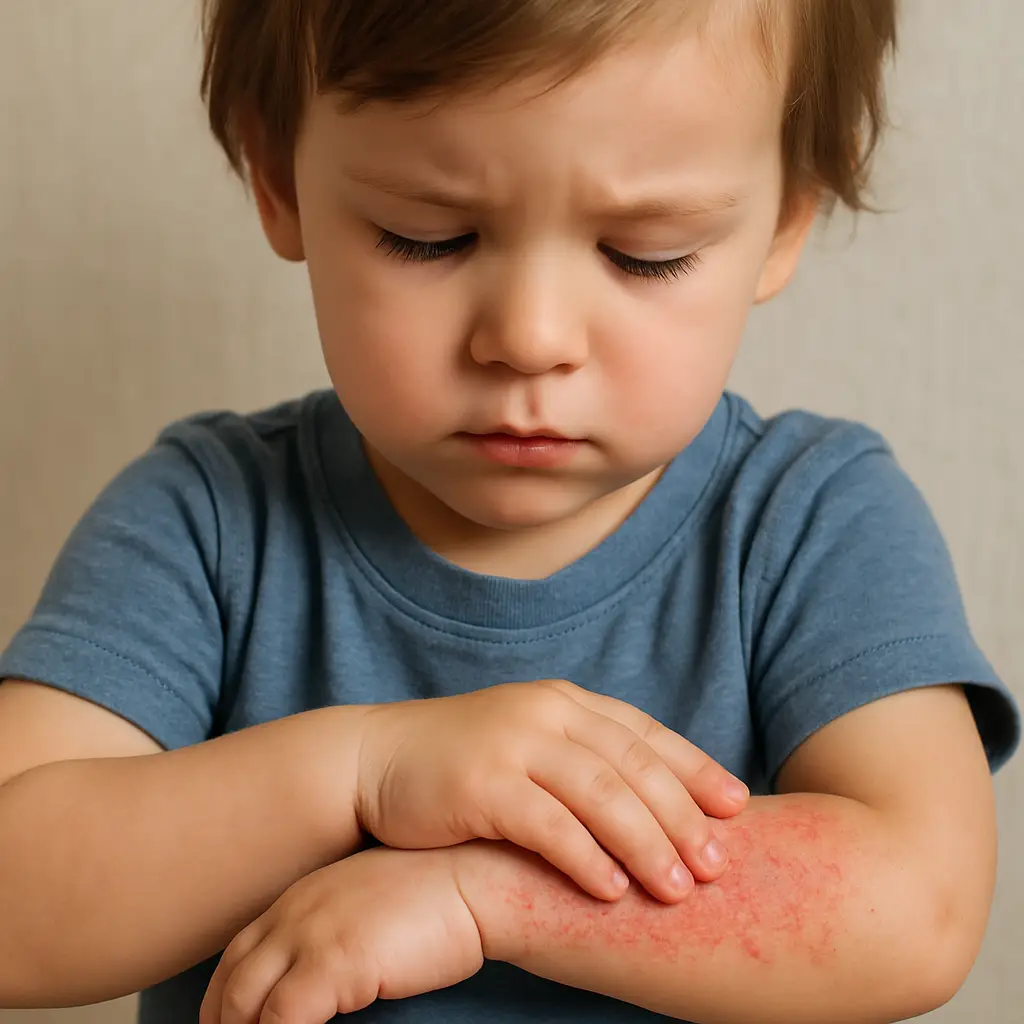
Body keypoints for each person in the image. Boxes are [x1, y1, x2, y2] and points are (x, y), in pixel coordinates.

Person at [0, 0, 1019, 1021]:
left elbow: (916, 907)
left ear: (787, 214)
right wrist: (362, 772)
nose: (529, 337)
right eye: (427, 237)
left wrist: (489, 893)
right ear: (279, 179)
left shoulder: (807, 522)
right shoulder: (210, 521)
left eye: (643, 252)